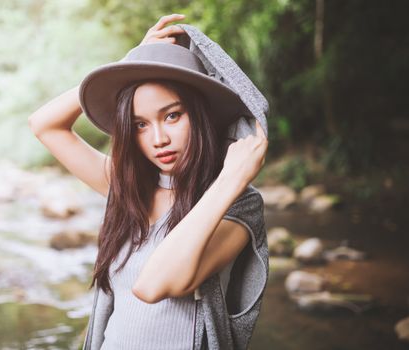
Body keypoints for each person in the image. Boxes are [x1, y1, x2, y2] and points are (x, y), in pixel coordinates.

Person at [29, 14, 268, 350]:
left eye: (172, 116)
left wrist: (231, 178)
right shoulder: (129, 188)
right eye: (140, 124)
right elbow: (44, 124)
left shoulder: (239, 203)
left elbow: (154, 285)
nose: (158, 139)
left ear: (200, 115)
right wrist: (130, 61)